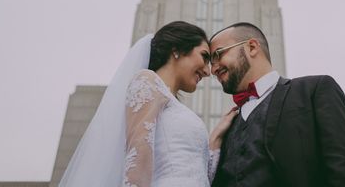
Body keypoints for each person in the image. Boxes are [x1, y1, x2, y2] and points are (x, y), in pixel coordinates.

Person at [59, 21, 237, 187]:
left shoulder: (175, 106)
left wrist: (215, 138)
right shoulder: (148, 82)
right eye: (204, 56)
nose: (207, 71)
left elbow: (200, 177)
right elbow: (138, 156)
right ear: (177, 50)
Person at [209, 22, 345, 187]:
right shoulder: (226, 127)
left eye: (218, 54)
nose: (213, 69)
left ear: (252, 47)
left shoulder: (315, 91)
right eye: (210, 62)